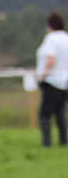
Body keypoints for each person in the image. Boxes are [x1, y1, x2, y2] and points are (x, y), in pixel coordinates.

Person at [35, 11, 68, 147]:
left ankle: (46, 143)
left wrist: (42, 76)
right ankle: (63, 141)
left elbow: (50, 60)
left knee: (45, 115)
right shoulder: (66, 37)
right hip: (65, 81)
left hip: (52, 81)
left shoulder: (51, 39)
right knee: (60, 113)